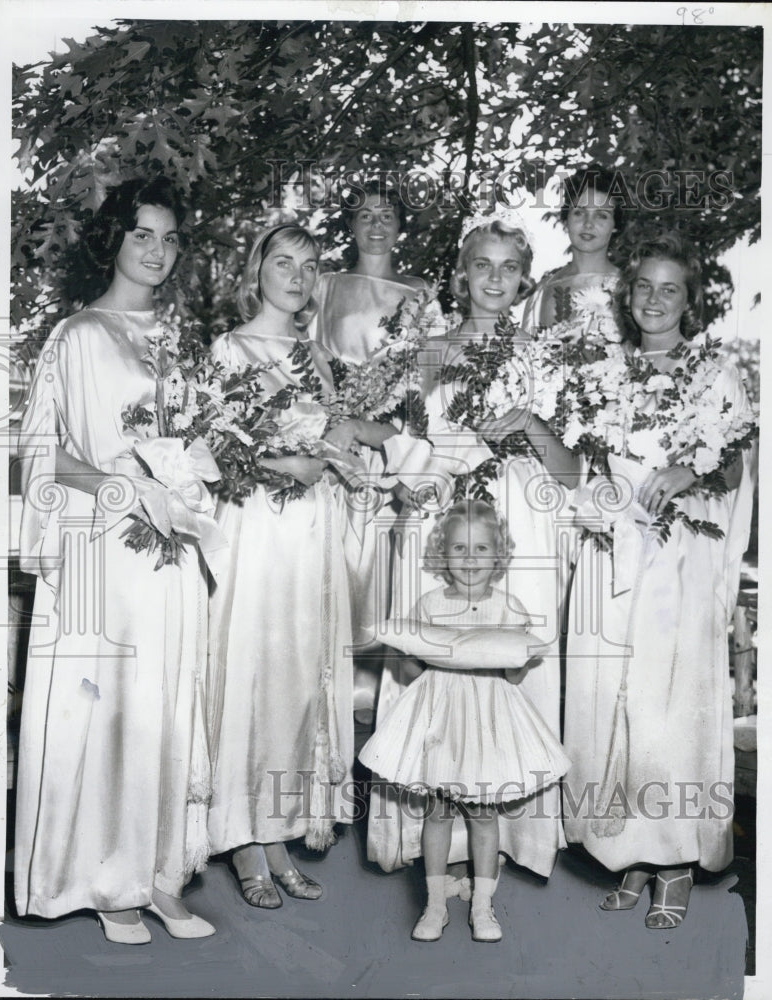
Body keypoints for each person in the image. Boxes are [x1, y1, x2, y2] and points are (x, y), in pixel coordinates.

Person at [15, 177, 215, 944]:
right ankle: (108, 880)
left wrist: (193, 478)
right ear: (115, 239)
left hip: (172, 552)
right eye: (144, 235)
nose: (158, 251)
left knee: (164, 703)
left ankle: (160, 872)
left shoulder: (178, 340)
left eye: (170, 238)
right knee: (111, 704)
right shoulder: (78, 335)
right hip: (106, 545)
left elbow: (201, 440)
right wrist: (126, 490)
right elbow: (44, 452)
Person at [368, 209, 577, 886]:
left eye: (509, 268)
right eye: (481, 265)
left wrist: (532, 425)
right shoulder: (425, 353)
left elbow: (571, 473)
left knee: (509, 667)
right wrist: (418, 475)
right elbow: (395, 449)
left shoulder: (543, 356)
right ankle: (434, 840)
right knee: (437, 669)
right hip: (441, 522)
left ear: (524, 282)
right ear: (461, 275)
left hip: (519, 517)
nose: (494, 279)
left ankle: (513, 836)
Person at [563, 233, 756, 929]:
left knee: (667, 709)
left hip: (678, 562)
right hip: (614, 555)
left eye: (668, 288)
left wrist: (690, 471)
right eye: (642, 285)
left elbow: (735, 469)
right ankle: (628, 853)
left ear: (690, 300)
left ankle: (673, 861)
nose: (652, 298)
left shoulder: (715, 373)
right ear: (626, 293)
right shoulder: (600, 371)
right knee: (611, 703)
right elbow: (584, 469)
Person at [207, 223, 371, 908]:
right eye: (283, 262)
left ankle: (275, 832)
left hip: (311, 530)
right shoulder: (229, 348)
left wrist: (344, 460)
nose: (297, 276)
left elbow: (334, 433)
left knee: (298, 681)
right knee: (254, 674)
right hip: (257, 530)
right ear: (258, 270)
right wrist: (287, 463)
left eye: (309, 266)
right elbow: (213, 448)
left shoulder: (314, 355)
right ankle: (243, 839)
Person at [360, 501, 570, 942]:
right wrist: (408, 652)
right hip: (439, 716)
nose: (470, 559)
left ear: (498, 556)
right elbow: (417, 670)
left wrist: (522, 654)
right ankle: (435, 905)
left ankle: (482, 906)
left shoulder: (507, 605)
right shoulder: (430, 603)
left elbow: (512, 673)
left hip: (488, 719)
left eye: (481, 548)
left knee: (481, 811)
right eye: (459, 548)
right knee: (437, 811)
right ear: (442, 553)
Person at [309, 180, 430, 720]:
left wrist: (382, 425)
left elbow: (426, 381)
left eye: (387, 215)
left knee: (380, 579)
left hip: (389, 447)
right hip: (334, 446)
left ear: (401, 225)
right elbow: (305, 357)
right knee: (329, 572)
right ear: (350, 224)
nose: (376, 225)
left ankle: (375, 715)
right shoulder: (327, 285)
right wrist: (338, 417)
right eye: (364, 215)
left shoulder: (420, 294)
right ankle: (322, 706)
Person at [522, 165, 623, 340]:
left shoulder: (628, 287)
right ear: (566, 218)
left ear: (615, 225)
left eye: (601, 215)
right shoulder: (543, 291)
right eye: (579, 213)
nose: (588, 224)